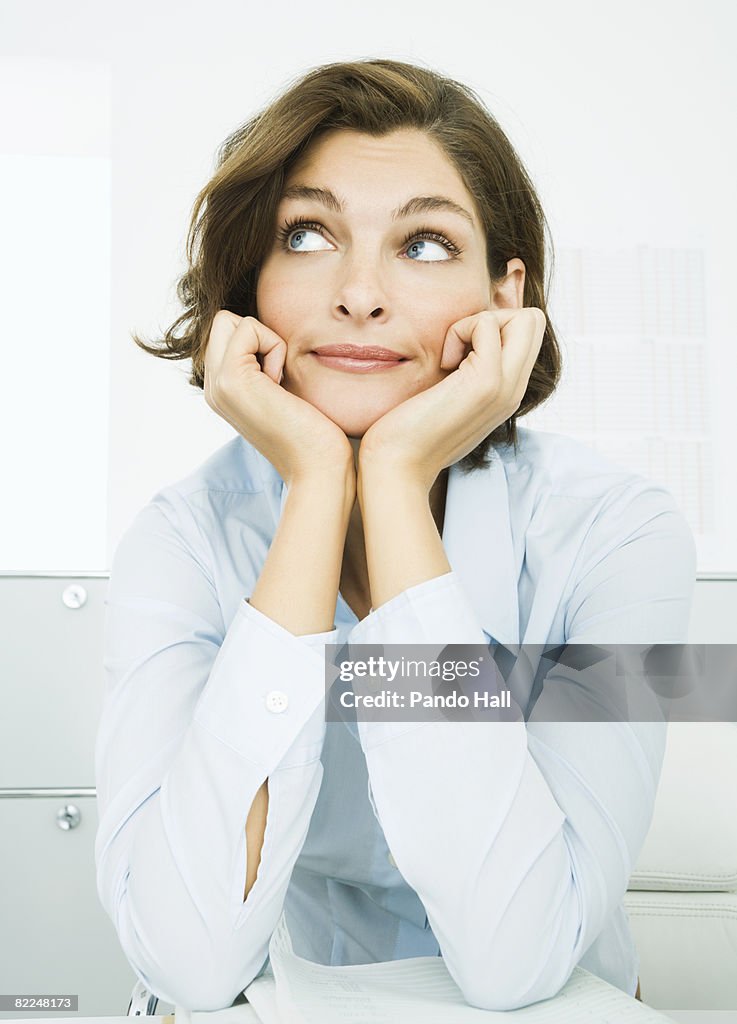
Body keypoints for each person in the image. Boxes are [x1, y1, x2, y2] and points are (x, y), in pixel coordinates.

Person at [94, 59, 695, 1012]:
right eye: (306, 235)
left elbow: (514, 961)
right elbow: (191, 962)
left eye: (422, 244)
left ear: (506, 299)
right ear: (247, 286)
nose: (360, 294)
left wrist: (395, 482)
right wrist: (318, 485)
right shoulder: (181, 541)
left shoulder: (620, 535)